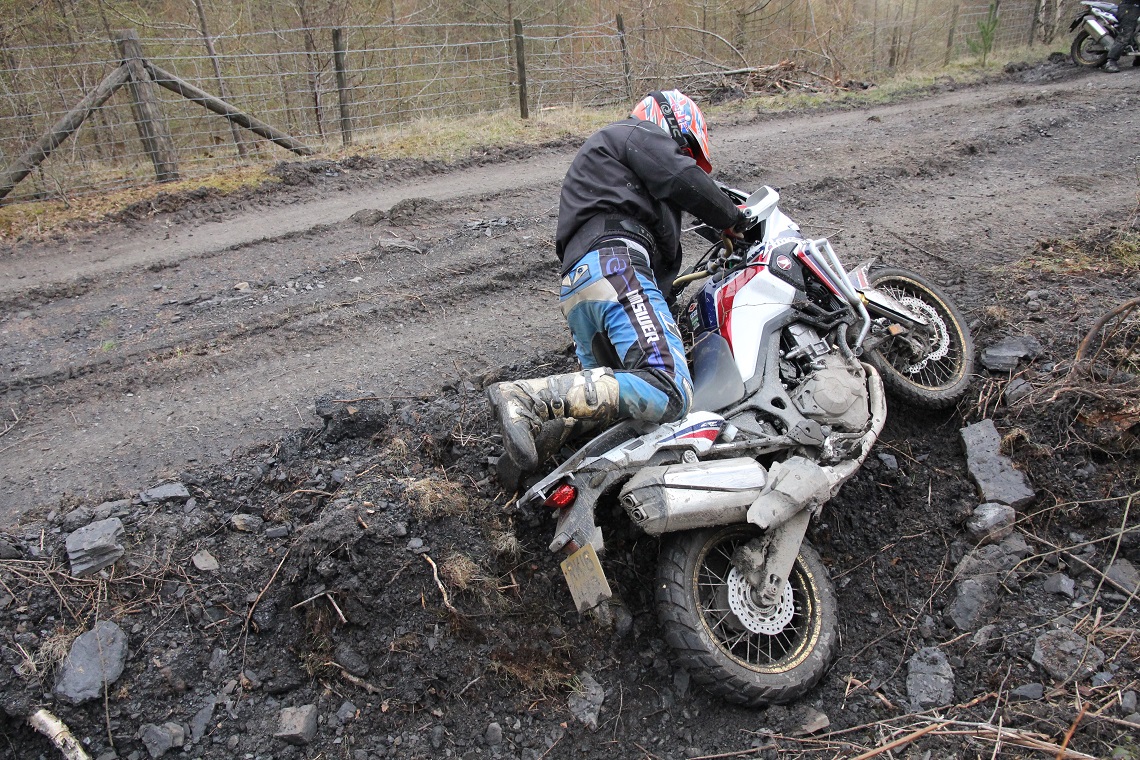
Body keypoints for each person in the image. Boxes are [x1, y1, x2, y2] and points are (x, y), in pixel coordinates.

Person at [487, 90, 746, 473]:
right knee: (668, 387)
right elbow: (682, 178)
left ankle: (532, 457)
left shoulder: (613, 173)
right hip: (616, 266)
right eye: (686, 148)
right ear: (671, 125)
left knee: (617, 410)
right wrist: (732, 219)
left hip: (581, 287)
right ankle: (527, 399)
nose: (686, 158)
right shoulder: (633, 133)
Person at [1104, 0, 1140, 72]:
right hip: (1129, 8)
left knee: (1137, 32)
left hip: (1136, 7)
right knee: (1125, 35)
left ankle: (1138, 59)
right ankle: (1111, 62)